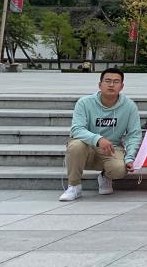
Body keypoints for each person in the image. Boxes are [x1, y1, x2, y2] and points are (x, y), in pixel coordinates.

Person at [59, 68, 142, 201]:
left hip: (112, 148)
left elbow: (134, 135)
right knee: (75, 145)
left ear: (121, 86)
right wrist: (98, 139)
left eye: (116, 82)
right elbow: (77, 129)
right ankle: (74, 186)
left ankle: (105, 176)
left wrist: (130, 158)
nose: (111, 85)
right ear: (100, 85)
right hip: (87, 146)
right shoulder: (84, 102)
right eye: (107, 81)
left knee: (119, 169)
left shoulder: (129, 106)